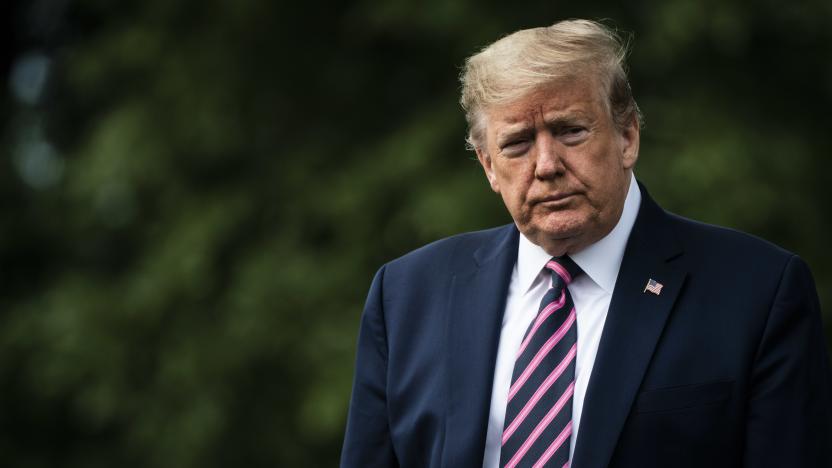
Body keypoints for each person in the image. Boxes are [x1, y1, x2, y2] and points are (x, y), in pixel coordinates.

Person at [340, 19, 832, 468]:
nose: (547, 165)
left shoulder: (758, 291)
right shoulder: (406, 294)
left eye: (570, 131)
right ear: (489, 166)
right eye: (517, 144)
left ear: (628, 136)